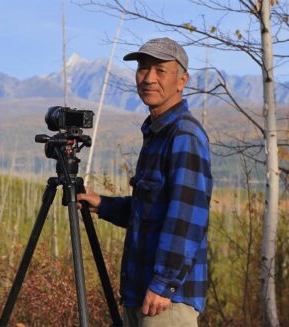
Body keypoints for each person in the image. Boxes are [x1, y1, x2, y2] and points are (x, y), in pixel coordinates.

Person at [77, 37, 213, 326]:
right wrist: (102, 204)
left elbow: (186, 220)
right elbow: (150, 210)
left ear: (182, 80)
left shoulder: (183, 135)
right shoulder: (157, 131)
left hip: (166, 302)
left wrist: (163, 283)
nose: (149, 78)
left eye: (160, 70)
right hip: (142, 292)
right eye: (142, 69)